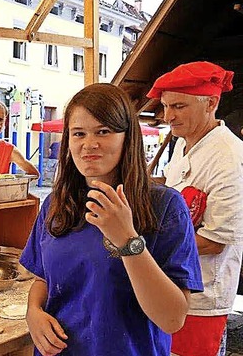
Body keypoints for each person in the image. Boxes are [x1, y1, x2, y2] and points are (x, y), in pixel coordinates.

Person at [20, 83, 203, 356]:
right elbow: (44, 279)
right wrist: (33, 312)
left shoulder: (164, 206)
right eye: (78, 133)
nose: (89, 144)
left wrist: (127, 240)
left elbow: (172, 319)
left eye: (103, 131)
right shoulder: (56, 204)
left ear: (127, 137)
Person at [147, 61, 243, 356]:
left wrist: (144, 247)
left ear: (211, 103)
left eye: (178, 106)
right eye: (164, 106)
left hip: (202, 298)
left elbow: (214, 242)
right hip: (170, 286)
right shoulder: (183, 144)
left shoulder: (229, 157)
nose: (167, 117)